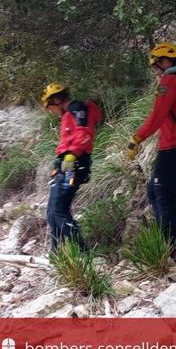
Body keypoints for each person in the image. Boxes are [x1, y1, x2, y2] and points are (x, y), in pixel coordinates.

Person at [126, 43, 176, 258]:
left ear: (165, 62)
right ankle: (168, 246)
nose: (156, 71)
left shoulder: (169, 81)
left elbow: (157, 116)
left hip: (172, 148)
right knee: (154, 191)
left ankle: (168, 250)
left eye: (156, 65)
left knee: (163, 197)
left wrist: (136, 139)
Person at [41, 83, 102, 251]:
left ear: (57, 101)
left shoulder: (77, 110)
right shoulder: (71, 113)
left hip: (72, 163)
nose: (51, 111)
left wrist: (70, 157)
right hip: (67, 163)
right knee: (53, 211)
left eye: (50, 107)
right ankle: (57, 253)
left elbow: (84, 135)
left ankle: (82, 252)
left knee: (58, 210)